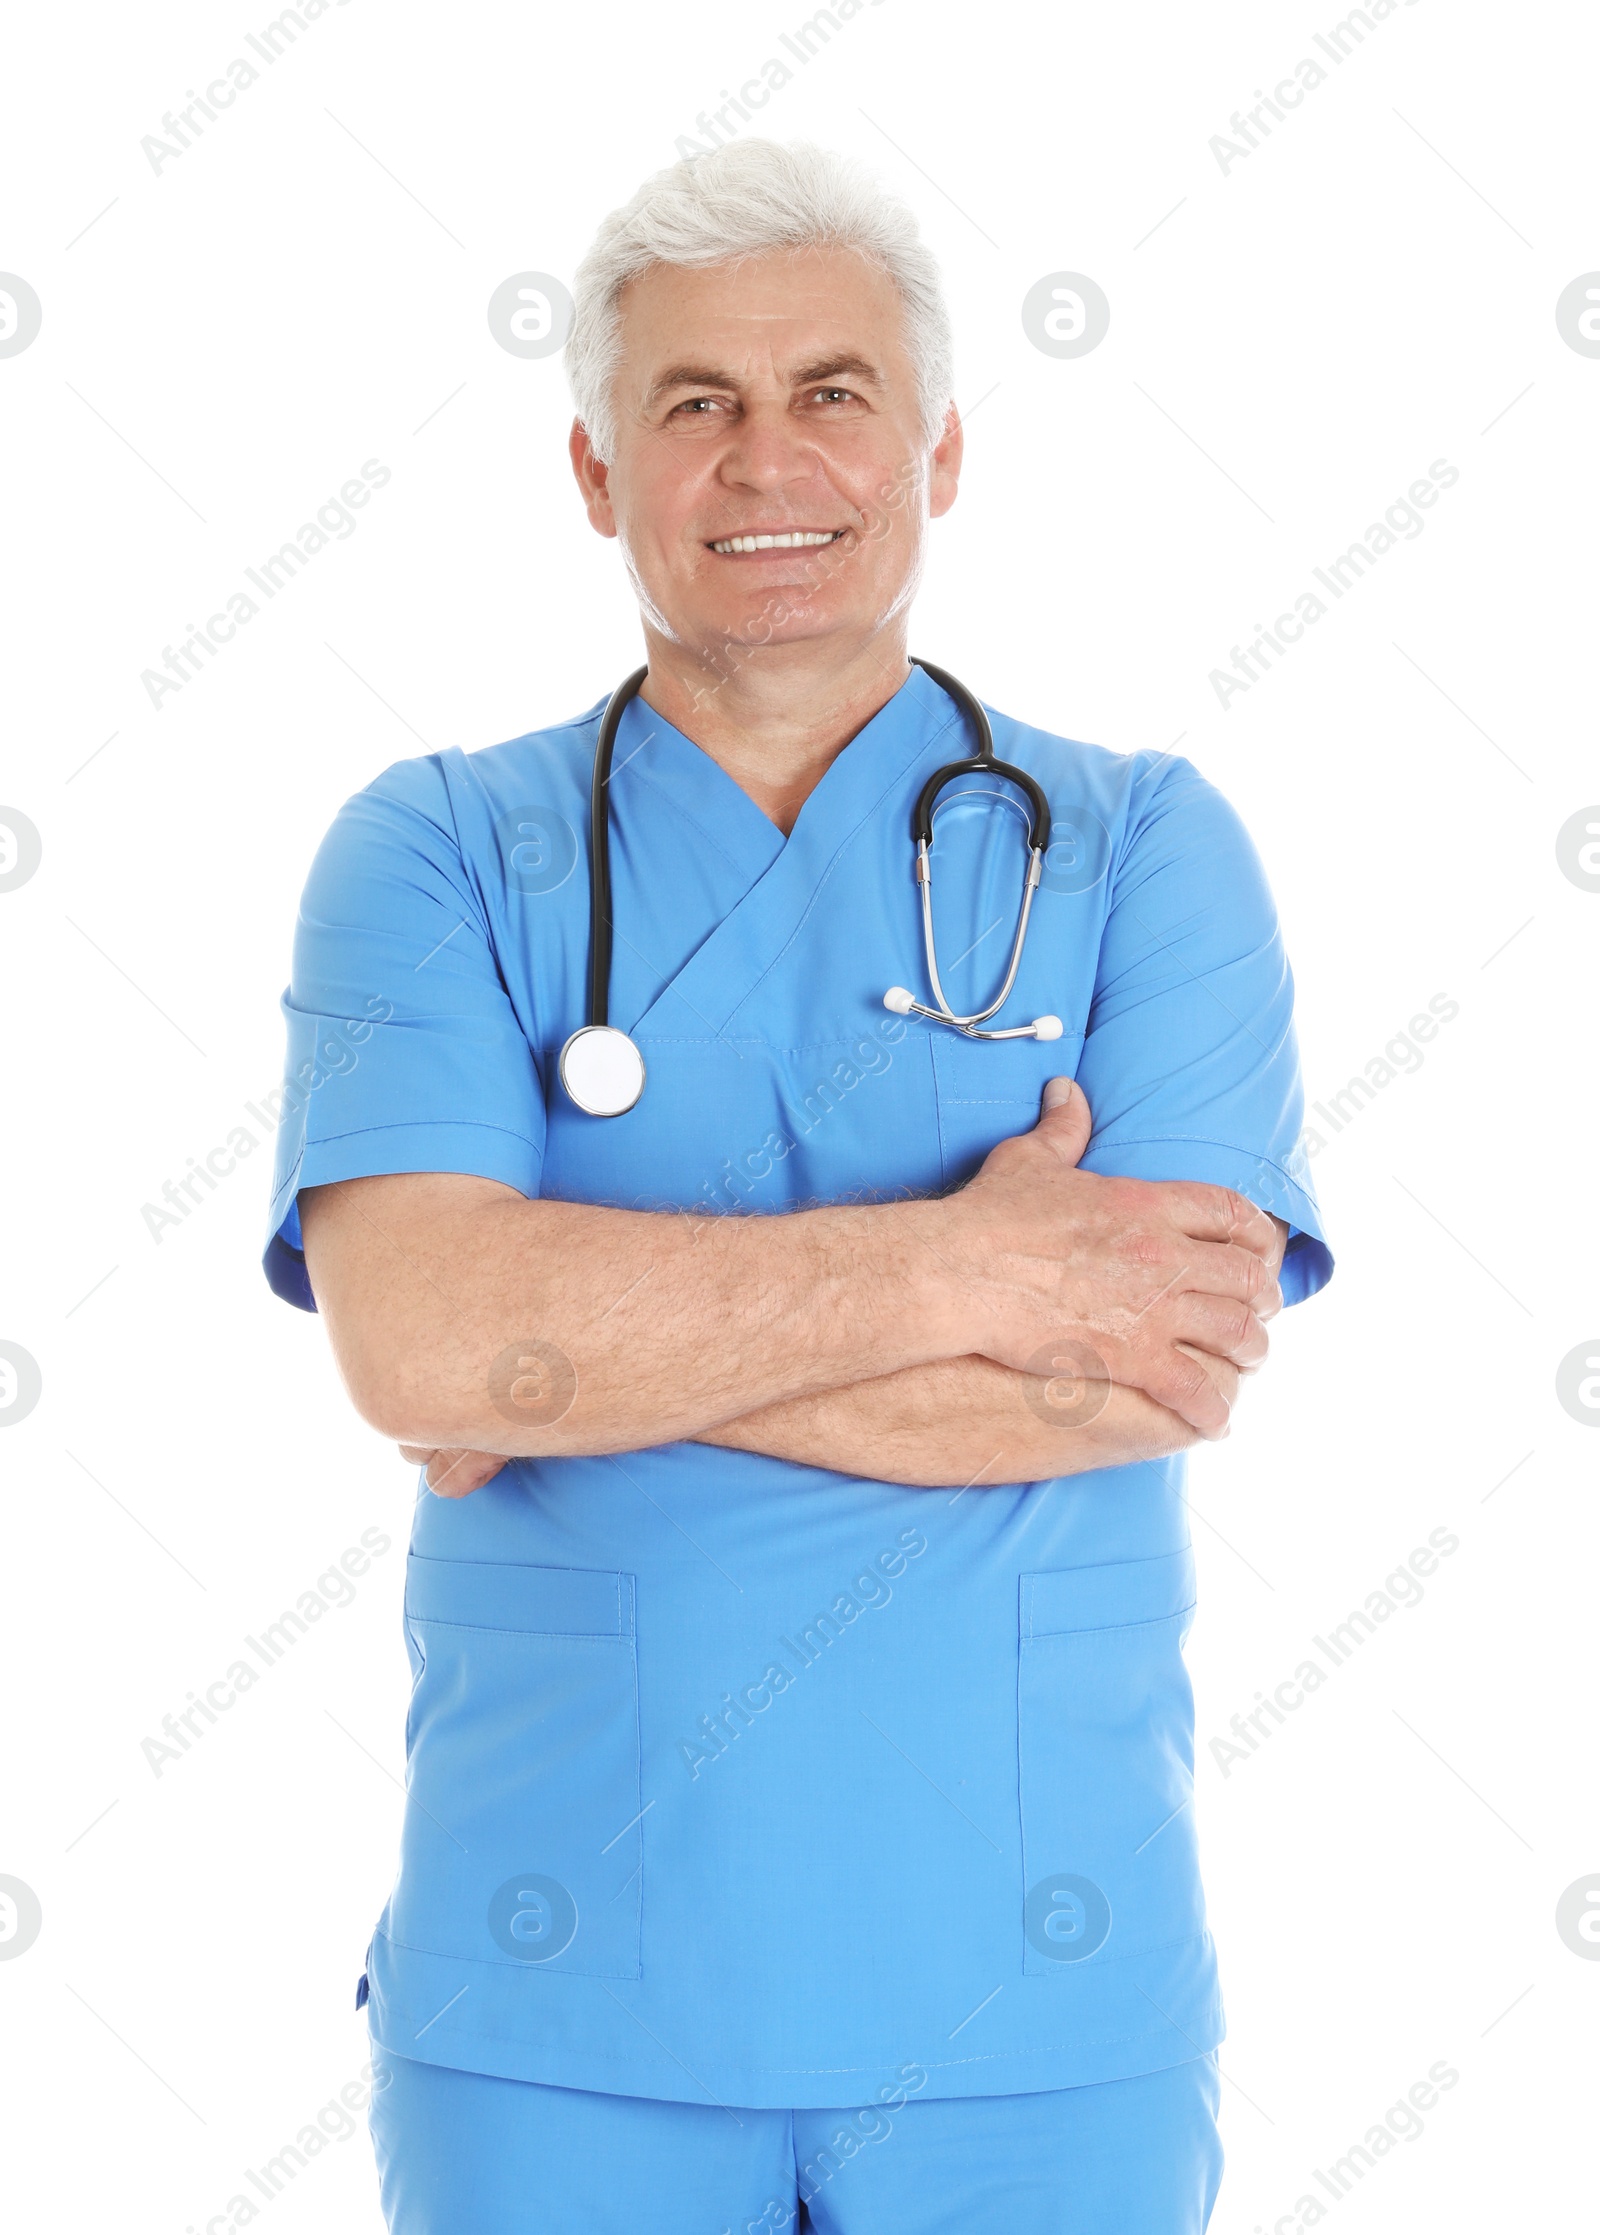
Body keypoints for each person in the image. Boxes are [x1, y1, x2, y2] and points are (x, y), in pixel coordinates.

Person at [262, 138, 1332, 2235]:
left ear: (936, 447)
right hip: (557, 2014)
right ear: (593, 471)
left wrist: (548, 1352)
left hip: (1037, 2017)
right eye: (694, 404)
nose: (773, 457)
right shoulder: (434, 854)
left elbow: (1155, 1365)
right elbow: (415, 1336)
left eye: (832, 391)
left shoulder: (1141, 850)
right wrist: (969, 1263)